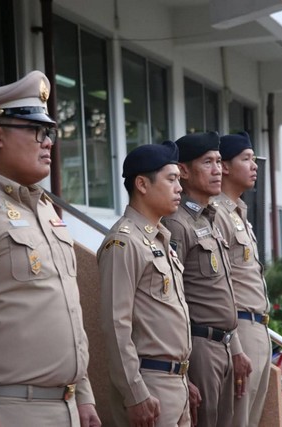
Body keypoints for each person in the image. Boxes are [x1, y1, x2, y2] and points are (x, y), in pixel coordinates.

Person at [0, 71, 100, 427]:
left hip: (66, 407)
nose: (48, 143)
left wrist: (83, 395)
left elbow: (67, 311)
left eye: (49, 133)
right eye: (36, 131)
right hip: (8, 409)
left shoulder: (43, 208)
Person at [97, 141, 195, 426]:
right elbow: (116, 325)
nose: (180, 188)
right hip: (149, 384)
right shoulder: (124, 242)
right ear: (141, 184)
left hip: (175, 382)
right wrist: (135, 393)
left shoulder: (159, 239)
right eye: (171, 179)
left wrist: (185, 378)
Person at [162, 131, 252, 427]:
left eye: (218, 161)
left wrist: (235, 347)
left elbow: (223, 292)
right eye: (207, 162)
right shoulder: (177, 223)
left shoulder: (209, 218)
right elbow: (172, 298)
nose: (217, 170)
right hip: (199, 346)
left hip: (223, 344)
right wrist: (184, 368)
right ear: (184, 171)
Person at [214, 132, 271, 427]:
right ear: (224, 166)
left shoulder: (239, 213)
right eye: (246, 159)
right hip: (240, 329)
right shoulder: (216, 214)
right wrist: (235, 343)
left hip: (259, 328)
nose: (254, 165)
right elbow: (219, 286)